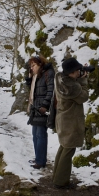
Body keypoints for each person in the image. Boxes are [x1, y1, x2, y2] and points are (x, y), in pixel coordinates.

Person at [52, 57, 89, 189]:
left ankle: (56, 176)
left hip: (63, 118)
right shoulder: (71, 87)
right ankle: (61, 181)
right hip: (71, 121)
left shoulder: (61, 79)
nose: (79, 72)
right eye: (77, 71)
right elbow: (83, 96)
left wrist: (78, 79)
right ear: (72, 72)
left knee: (63, 147)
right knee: (68, 150)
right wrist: (83, 80)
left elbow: (74, 85)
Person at [26, 55, 55, 169]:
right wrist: (30, 78)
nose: (32, 68)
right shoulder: (37, 76)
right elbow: (34, 90)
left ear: (40, 64)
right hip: (35, 108)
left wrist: (45, 105)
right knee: (35, 135)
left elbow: (51, 90)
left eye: (33, 65)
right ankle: (38, 158)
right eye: (31, 66)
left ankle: (40, 161)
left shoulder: (48, 73)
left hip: (42, 109)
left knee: (40, 135)